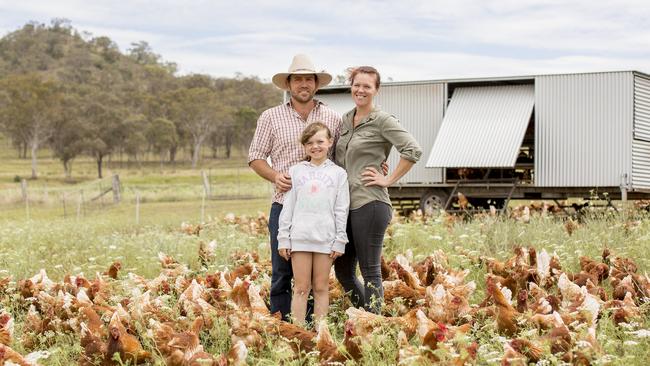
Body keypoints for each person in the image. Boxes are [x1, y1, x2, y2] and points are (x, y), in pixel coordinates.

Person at [248, 54, 341, 320]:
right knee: (281, 270)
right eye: (297, 79)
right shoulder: (271, 117)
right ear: (288, 84)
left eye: (308, 79)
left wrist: (376, 164)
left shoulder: (332, 118)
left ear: (316, 84)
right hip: (284, 204)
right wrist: (275, 175)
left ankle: (312, 327)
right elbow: (255, 157)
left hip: (321, 210)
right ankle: (281, 324)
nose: (303, 84)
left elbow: (344, 156)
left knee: (316, 274)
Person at [334, 66, 422, 313]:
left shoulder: (383, 120)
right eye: (357, 84)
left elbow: (412, 150)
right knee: (343, 271)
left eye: (367, 86)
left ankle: (374, 327)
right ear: (351, 86)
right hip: (345, 206)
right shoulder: (345, 120)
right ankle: (370, 318)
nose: (360, 90)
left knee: (370, 270)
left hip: (370, 202)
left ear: (376, 90)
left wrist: (388, 179)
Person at [277, 122, 349, 326]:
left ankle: (320, 333)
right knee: (300, 288)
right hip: (300, 238)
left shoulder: (338, 173)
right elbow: (288, 206)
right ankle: (298, 333)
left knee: (321, 287)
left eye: (320, 141)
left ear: (330, 142)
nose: (315, 146)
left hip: (325, 238)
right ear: (304, 147)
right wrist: (284, 238)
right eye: (309, 143)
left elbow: (341, 209)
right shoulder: (297, 171)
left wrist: (339, 240)